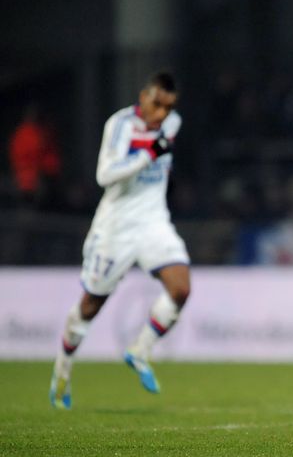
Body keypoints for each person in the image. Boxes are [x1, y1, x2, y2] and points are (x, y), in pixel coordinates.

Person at [49, 72, 191, 409]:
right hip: (116, 228)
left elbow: (162, 147)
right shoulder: (120, 125)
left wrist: (155, 156)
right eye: (157, 104)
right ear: (143, 96)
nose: (161, 114)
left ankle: (139, 350)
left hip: (154, 221)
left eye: (168, 107)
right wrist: (147, 155)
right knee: (90, 305)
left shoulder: (173, 123)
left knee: (181, 288)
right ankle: (62, 371)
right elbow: (104, 175)